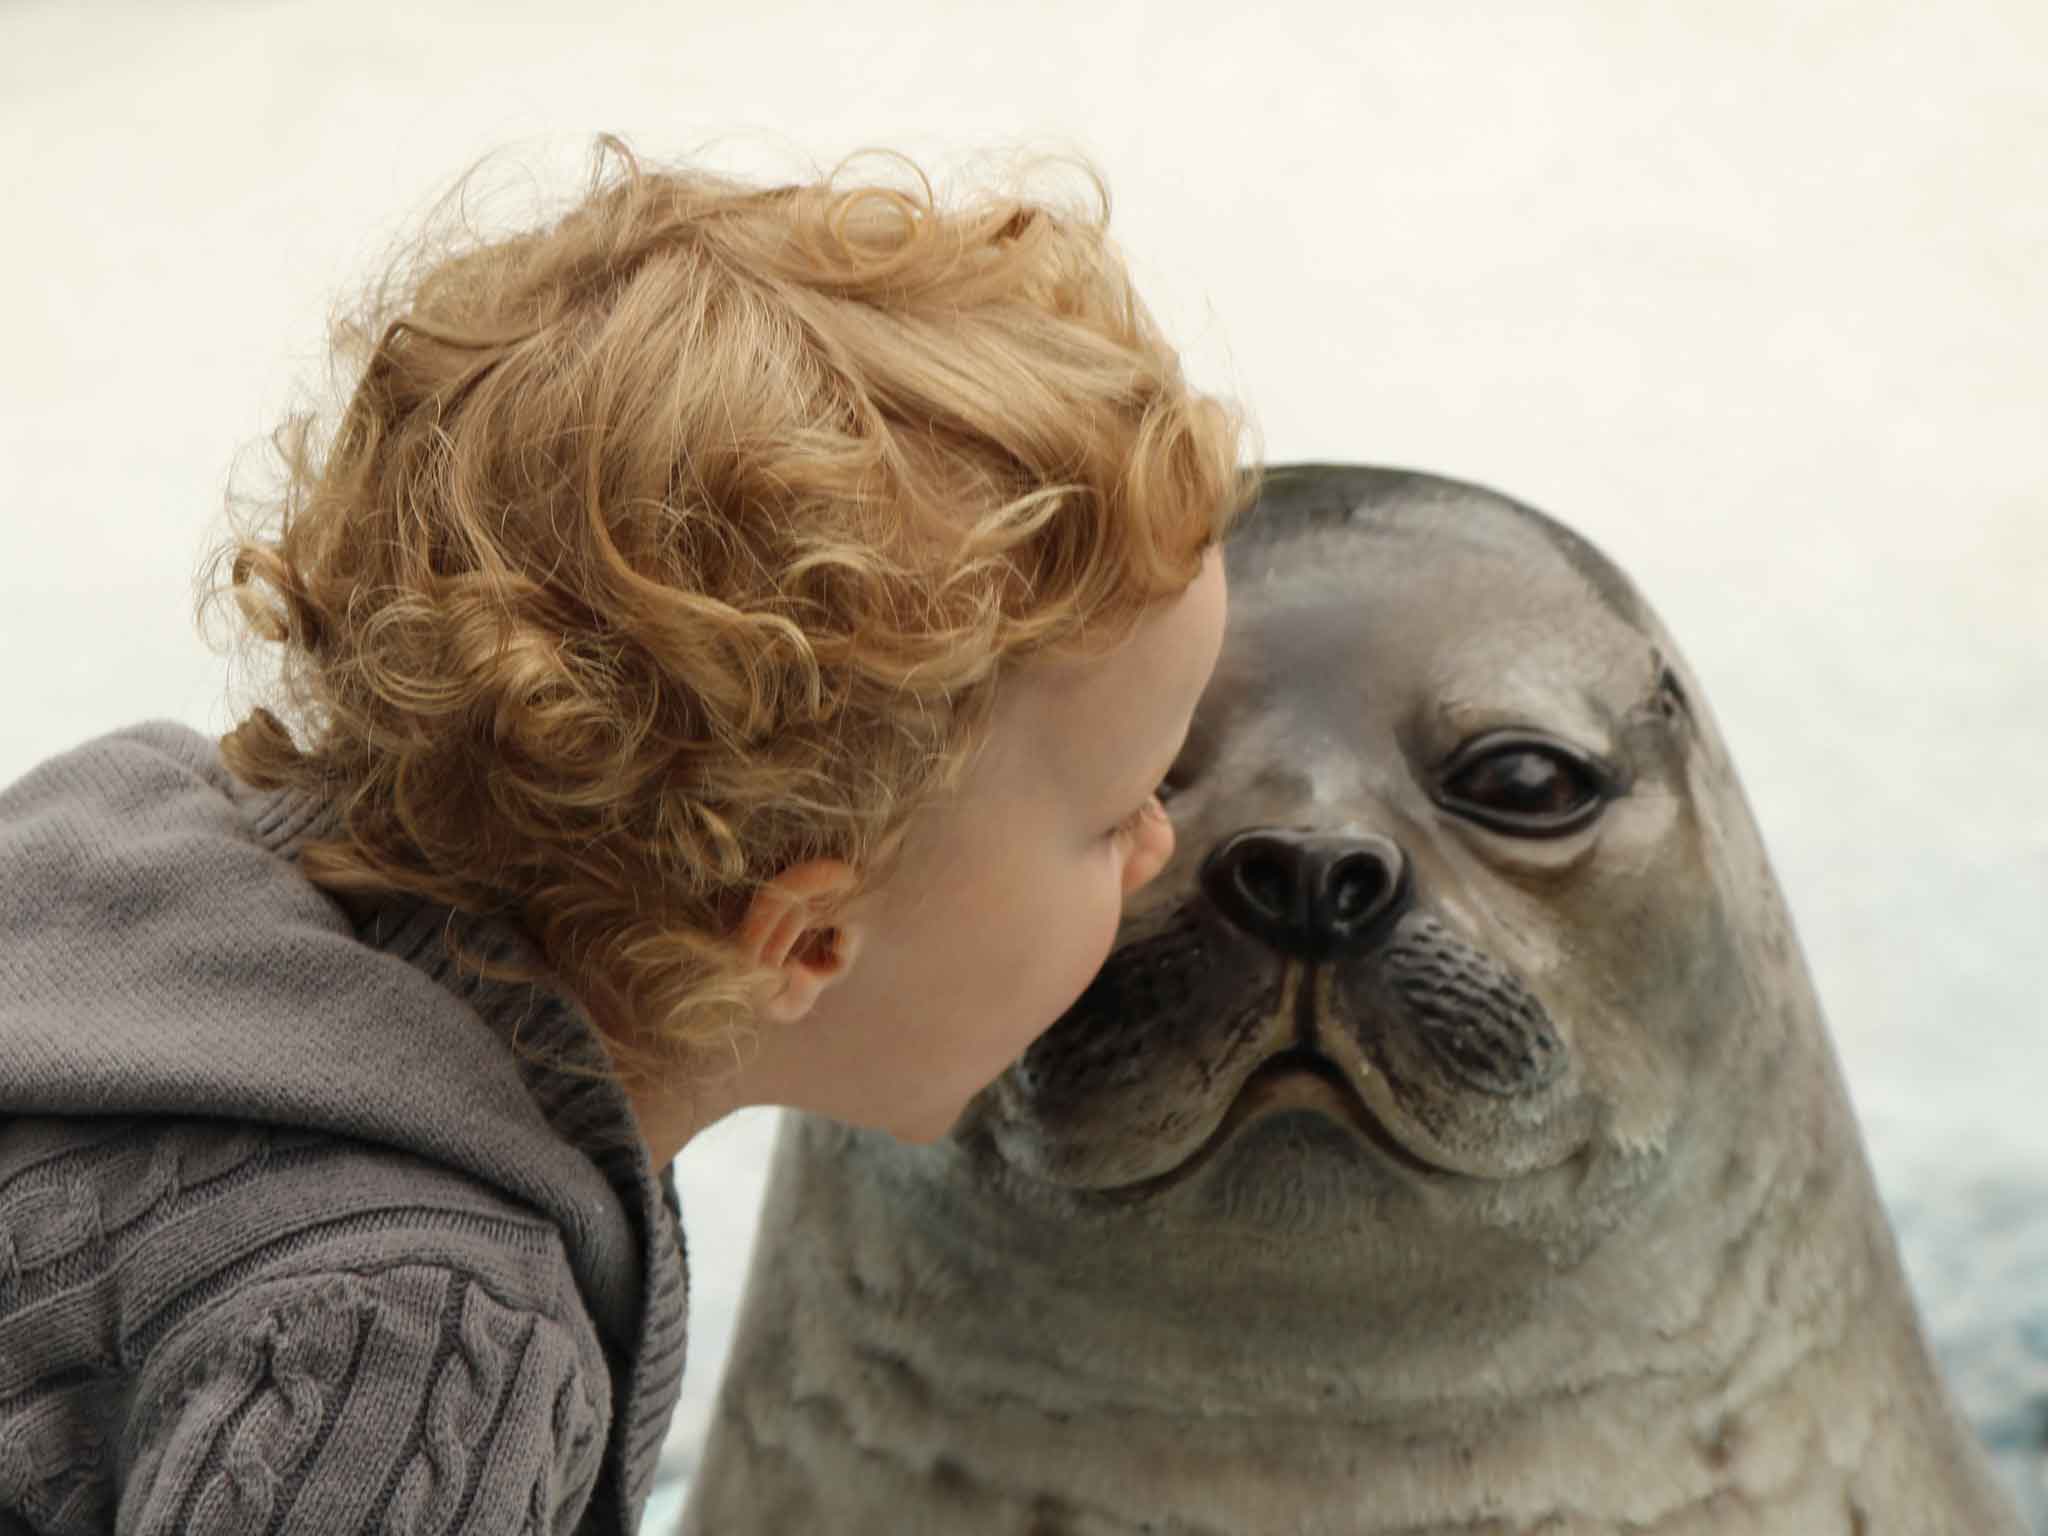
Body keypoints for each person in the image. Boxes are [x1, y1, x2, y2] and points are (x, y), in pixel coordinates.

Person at [0, 138, 1248, 1534]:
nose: (1161, 847)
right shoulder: (420, 1348)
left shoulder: (118, 843)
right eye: (1119, 807)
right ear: (805, 936)